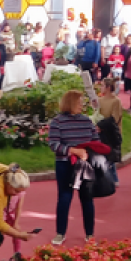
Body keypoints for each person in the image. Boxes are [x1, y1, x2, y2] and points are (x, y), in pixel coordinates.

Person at [47, 91, 110, 245]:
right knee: (64, 198)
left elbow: (96, 141)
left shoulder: (86, 121)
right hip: (65, 164)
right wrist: (73, 151)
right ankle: (60, 233)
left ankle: (90, 234)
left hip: (84, 164)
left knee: (87, 198)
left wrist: (89, 153)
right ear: (70, 103)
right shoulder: (57, 122)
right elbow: (53, 144)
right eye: (79, 102)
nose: (82, 105)